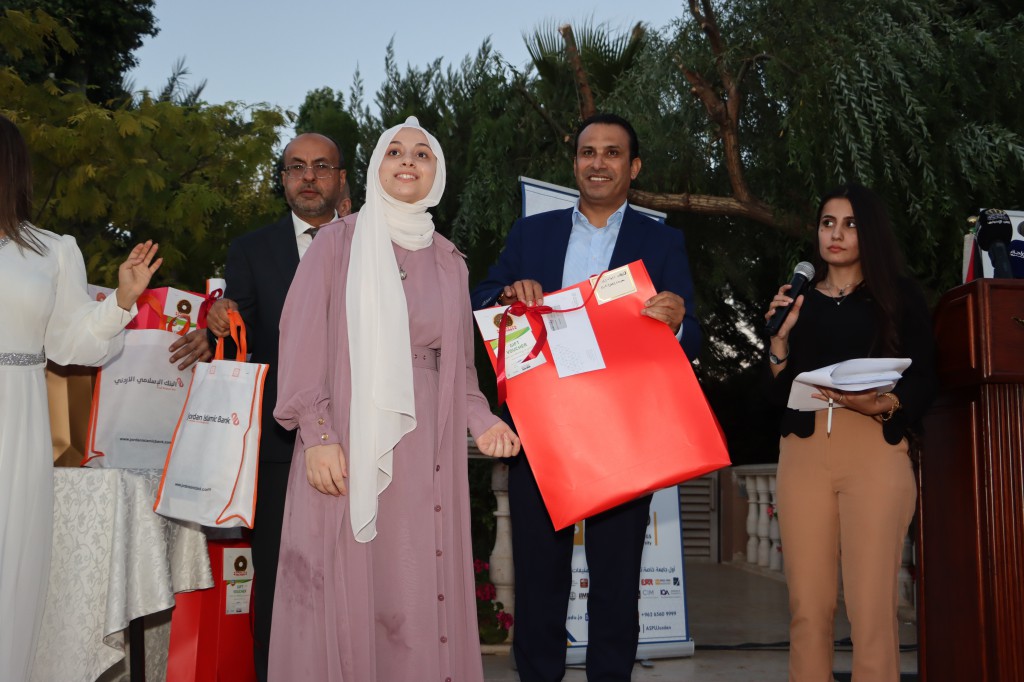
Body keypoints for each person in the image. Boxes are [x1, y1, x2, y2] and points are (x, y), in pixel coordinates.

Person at [268, 117, 520, 681]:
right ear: (377, 166)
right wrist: (318, 434)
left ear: (438, 173)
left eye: (423, 154)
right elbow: (300, 339)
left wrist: (483, 421)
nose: (409, 160)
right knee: (351, 583)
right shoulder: (337, 243)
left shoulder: (450, 261)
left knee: (414, 583)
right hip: (348, 439)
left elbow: (461, 368)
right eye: (396, 151)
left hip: (428, 447)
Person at [471, 113, 701, 682]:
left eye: (612, 152)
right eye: (587, 152)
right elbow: (483, 294)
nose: (598, 162)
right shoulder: (532, 234)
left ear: (633, 166)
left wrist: (676, 322)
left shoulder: (662, 241)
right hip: (541, 431)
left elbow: (693, 333)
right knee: (539, 580)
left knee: (617, 585)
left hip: (624, 434)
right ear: (575, 162)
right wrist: (510, 293)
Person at [0, 114, 161, 680]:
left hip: (15, 423)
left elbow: (72, 344)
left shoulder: (51, 250)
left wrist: (121, 300)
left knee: (11, 572)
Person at [763, 183, 937, 681]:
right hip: (803, 452)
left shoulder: (897, 296)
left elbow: (926, 376)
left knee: (872, 611)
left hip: (874, 448)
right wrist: (778, 341)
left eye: (850, 224)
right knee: (807, 608)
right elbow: (773, 394)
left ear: (870, 232)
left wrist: (887, 403)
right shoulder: (796, 300)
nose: (835, 234)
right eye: (827, 223)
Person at [193, 132, 349, 681]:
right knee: (282, 584)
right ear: (282, 180)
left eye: (321, 166)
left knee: (359, 584)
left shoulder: (375, 244)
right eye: (296, 167)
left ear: (341, 178)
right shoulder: (252, 249)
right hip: (282, 448)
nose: (308, 177)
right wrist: (220, 321)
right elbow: (242, 338)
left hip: (367, 438)